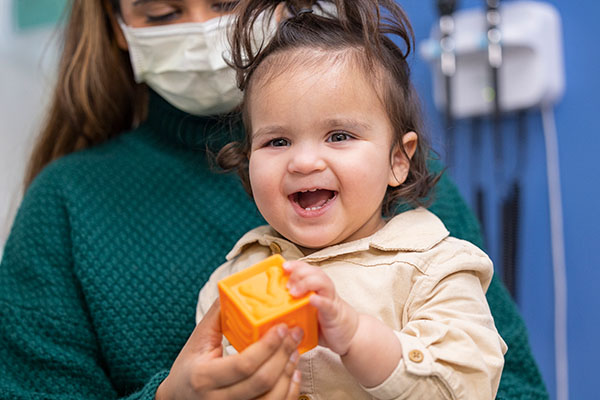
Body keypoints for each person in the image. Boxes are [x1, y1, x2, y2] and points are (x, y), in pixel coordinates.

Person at [0, 0, 548, 399]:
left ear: (398, 162)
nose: (305, 163)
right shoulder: (72, 206)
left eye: (225, 4)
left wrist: (365, 344)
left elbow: (506, 383)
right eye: (164, 15)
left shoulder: (419, 220)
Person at [195, 1, 506, 398]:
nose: (304, 162)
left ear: (398, 160)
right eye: (277, 141)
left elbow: (465, 387)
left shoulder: (435, 270)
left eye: (339, 136)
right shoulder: (234, 278)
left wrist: (356, 335)